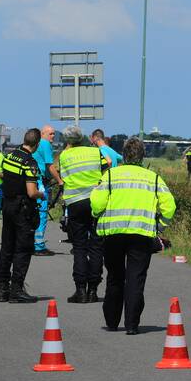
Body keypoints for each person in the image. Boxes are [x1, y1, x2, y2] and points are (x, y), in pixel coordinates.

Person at [90, 137, 176, 335]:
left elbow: (97, 203)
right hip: (141, 235)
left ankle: (112, 321)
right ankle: (132, 325)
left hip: (113, 234)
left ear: (124, 155)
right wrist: (159, 227)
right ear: (142, 156)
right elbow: (169, 207)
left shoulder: (110, 175)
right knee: (136, 279)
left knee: (115, 277)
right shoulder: (153, 178)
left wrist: (96, 214)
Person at [52, 125, 109, 304]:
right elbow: (108, 163)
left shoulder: (64, 155)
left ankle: (80, 290)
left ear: (68, 141)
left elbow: (61, 173)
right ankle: (93, 290)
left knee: (79, 247)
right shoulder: (95, 152)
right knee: (96, 245)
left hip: (75, 203)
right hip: (95, 200)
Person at [0, 128, 45, 303]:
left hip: (7, 206)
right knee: (23, 249)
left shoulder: (10, 156)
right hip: (22, 209)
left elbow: (6, 177)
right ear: (37, 144)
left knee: (7, 247)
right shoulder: (29, 162)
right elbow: (31, 192)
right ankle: (17, 290)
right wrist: (41, 194)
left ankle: (3, 289)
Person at [32, 124, 62, 256]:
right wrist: (60, 180)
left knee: (34, 213)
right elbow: (50, 166)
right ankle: (38, 246)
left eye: (54, 133)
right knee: (42, 213)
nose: (53, 136)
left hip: (33, 181)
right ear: (42, 134)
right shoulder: (45, 144)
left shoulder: (37, 144)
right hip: (40, 183)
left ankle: (32, 243)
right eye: (50, 133)